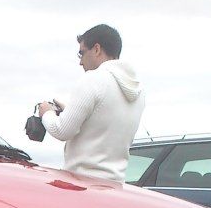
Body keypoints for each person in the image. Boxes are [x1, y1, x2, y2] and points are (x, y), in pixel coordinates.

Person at [37, 24, 144, 182]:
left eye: (81, 53)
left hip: (83, 185)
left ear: (97, 49)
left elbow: (62, 130)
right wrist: (69, 111)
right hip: (117, 186)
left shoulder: (93, 79)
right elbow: (104, 125)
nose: (80, 62)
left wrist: (47, 112)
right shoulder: (137, 91)